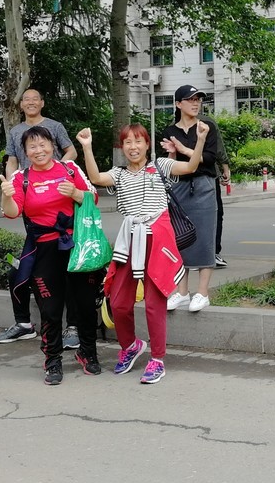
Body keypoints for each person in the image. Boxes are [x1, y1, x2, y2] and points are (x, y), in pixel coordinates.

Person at [76, 121, 208, 384]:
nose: (133, 147)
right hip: (129, 241)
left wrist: (201, 139)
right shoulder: (120, 173)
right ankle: (131, 346)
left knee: (153, 303)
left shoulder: (161, 166)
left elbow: (191, 166)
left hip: (157, 240)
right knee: (118, 301)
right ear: (122, 147)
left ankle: (157, 358)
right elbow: (96, 178)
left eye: (138, 141)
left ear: (147, 144)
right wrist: (87, 147)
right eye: (128, 142)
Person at [0, 125, 100, 385]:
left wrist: (77, 194)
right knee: (50, 309)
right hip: (43, 249)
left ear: (52, 146)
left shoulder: (69, 169)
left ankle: (88, 352)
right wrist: (6, 196)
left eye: (43, 144)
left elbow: (94, 197)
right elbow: (12, 212)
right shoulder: (21, 178)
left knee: (86, 305)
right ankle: (52, 360)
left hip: (78, 245)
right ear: (25, 151)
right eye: (32, 146)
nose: (38, 150)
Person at [0, 88, 80, 346]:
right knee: (24, 267)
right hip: (30, 201)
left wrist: (59, 174)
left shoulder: (54, 126)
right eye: (26, 100)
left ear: (42, 103)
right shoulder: (15, 131)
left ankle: (73, 328)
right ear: (20, 105)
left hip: (62, 210)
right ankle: (24, 324)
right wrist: (11, 186)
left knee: (69, 270)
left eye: (35, 99)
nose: (31, 103)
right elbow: (12, 160)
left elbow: (72, 152)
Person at [159, 85, 223, 313]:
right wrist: (173, 151)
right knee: (179, 239)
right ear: (178, 104)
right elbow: (169, 165)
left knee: (205, 237)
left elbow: (208, 158)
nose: (195, 104)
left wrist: (185, 149)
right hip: (179, 188)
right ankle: (182, 293)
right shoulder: (169, 131)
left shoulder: (207, 127)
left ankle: (203, 293)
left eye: (198, 100)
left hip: (204, 186)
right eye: (190, 100)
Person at [213, 129, 232, 268]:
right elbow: (218, 147)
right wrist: (225, 168)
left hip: (181, 178)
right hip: (207, 176)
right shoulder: (206, 122)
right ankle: (213, 253)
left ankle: (188, 255)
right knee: (215, 214)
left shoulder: (173, 126)